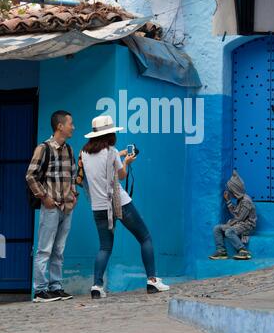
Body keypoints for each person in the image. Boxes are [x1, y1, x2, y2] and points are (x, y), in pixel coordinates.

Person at [78, 115, 170, 299]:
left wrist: (120, 155)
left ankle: (96, 286)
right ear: (109, 133)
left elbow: (103, 165)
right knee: (145, 237)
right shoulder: (110, 152)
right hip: (119, 203)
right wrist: (126, 162)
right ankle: (152, 280)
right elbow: (120, 175)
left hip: (98, 207)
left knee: (104, 247)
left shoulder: (84, 153)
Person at [26, 110, 78, 302]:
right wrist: (44, 197)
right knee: (45, 249)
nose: (73, 127)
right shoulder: (44, 148)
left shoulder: (69, 149)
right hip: (51, 206)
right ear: (60, 126)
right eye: (70, 123)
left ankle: (55, 287)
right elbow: (30, 175)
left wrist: (74, 195)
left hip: (67, 207)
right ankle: (40, 290)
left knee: (59, 250)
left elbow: (72, 175)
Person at [209, 170, 257, 260]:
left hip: (247, 226)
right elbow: (237, 214)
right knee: (217, 228)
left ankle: (243, 251)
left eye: (231, 191)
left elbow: (239, 218)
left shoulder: (246, 201)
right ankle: (221, 252)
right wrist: (228, 201)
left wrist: (229, 224)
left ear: (235, 190)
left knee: (229, 231)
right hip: (239, 224)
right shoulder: (240, 200)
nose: (231, 193)